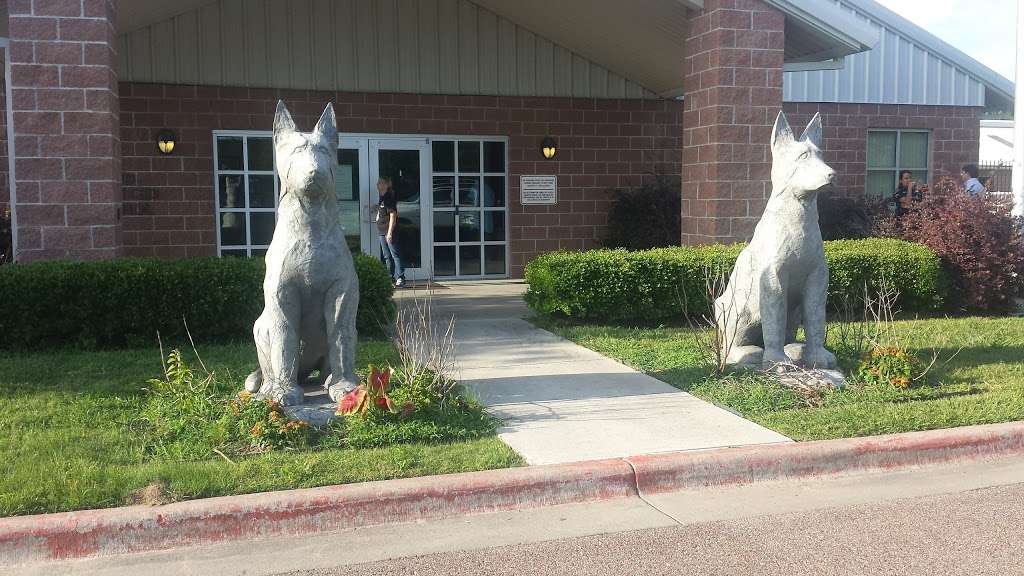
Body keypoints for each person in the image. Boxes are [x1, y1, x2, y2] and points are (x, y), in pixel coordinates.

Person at [375, 176, 405, 288]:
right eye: (378, 183)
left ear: (386, 185)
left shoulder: (389, 197)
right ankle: (390, 278)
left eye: (380, 183)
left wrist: (390, 232)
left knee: (395, 254)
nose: (377, 185)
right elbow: (383, 210)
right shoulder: (382, 197)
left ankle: (401, 278)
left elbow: (393, 215)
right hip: (381, 231)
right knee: (387, 256)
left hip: (389, 231)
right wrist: (376, 208)